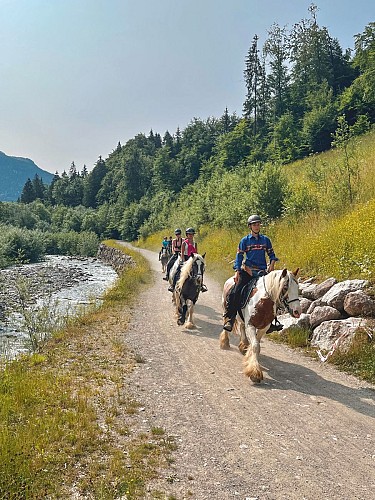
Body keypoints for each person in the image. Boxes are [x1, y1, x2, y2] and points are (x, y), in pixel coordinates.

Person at [222, 214, 282, 332]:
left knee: (274, 294)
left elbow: (271, 254)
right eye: (254, 224)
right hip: (248, 271)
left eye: (258, 224)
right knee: (235, 292)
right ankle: (230, 318)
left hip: (262, 272)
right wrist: (237, 271)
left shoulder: (266, 240)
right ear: (250, 226)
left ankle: (272, 321)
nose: (257, 226)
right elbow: (239, 256)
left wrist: (272, 264)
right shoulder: (244, 241)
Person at [168, 227, 208, 293]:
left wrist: (197, 259)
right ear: (187, 235)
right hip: (185, 258)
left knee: (200, 270)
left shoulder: (195, 244)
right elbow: (182, 253)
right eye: (189, 234)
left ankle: (201, 285)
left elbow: (196, 253)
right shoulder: (184, 243)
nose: (191, 235)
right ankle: (173, 285)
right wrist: (184, 262)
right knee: (178, 269)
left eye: (192, 234)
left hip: (192, 259)